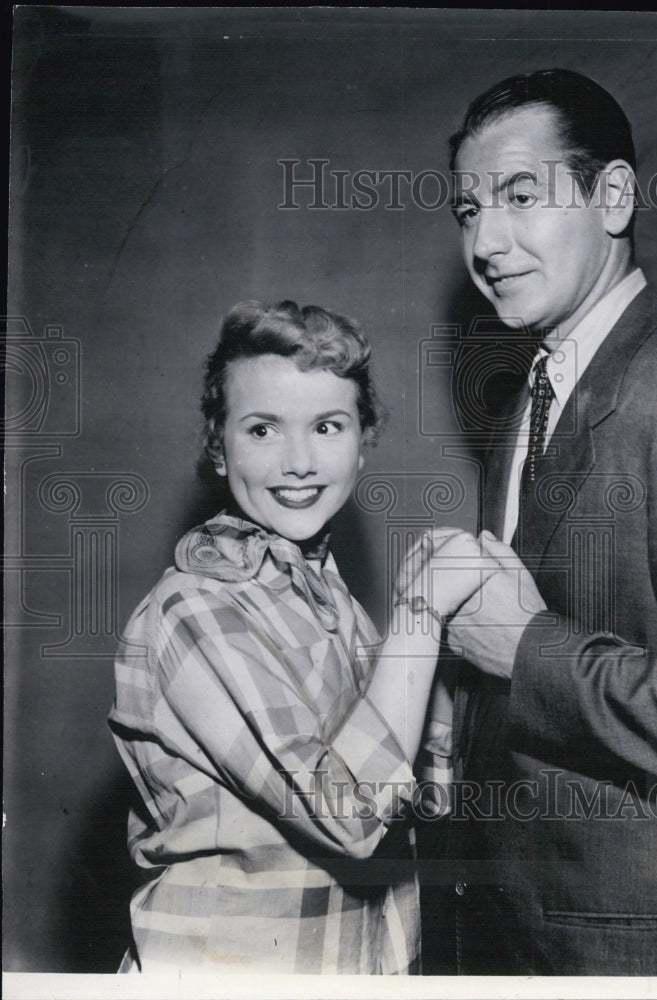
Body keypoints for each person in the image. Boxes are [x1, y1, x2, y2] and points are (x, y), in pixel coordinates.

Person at [414, 68, 657, 975]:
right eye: (467, 209)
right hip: (522, 927)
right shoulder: (531, 394)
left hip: (645, 957)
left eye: (520, 196)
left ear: (614, 196)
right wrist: (458, 720)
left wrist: (524, 651)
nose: (486, 239)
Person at [108, 299, 499, 973]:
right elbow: (349, 817)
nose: (298, 462)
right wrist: (419, 618)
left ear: (363, 441)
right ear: (218, 447)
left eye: (326, 425)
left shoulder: (327, 600)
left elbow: (421, 801)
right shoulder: (192, 613)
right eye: (262, 429)